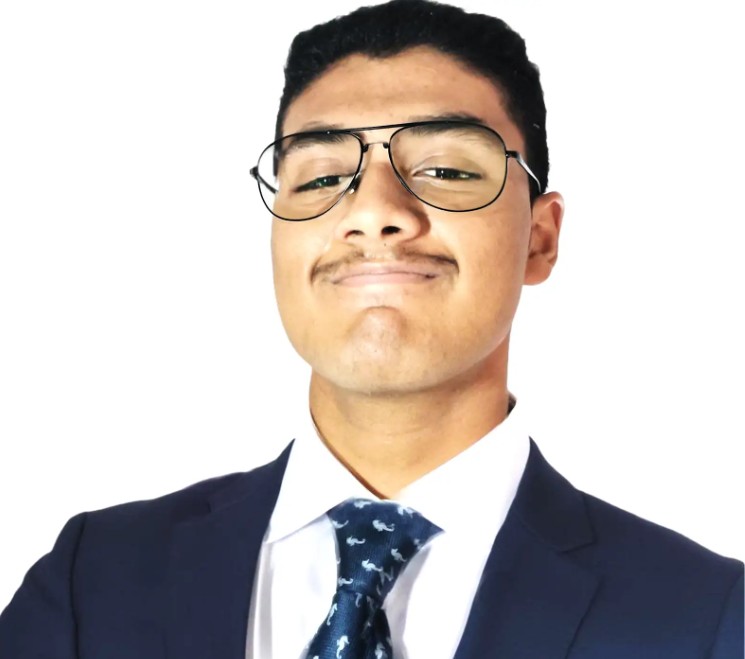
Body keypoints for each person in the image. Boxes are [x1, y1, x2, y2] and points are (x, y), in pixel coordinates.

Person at [1, 0, 742, 657]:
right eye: (323, 177)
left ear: (539, 240)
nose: (373, 210)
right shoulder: (92, 582)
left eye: (446, 170)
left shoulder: (706, 619)